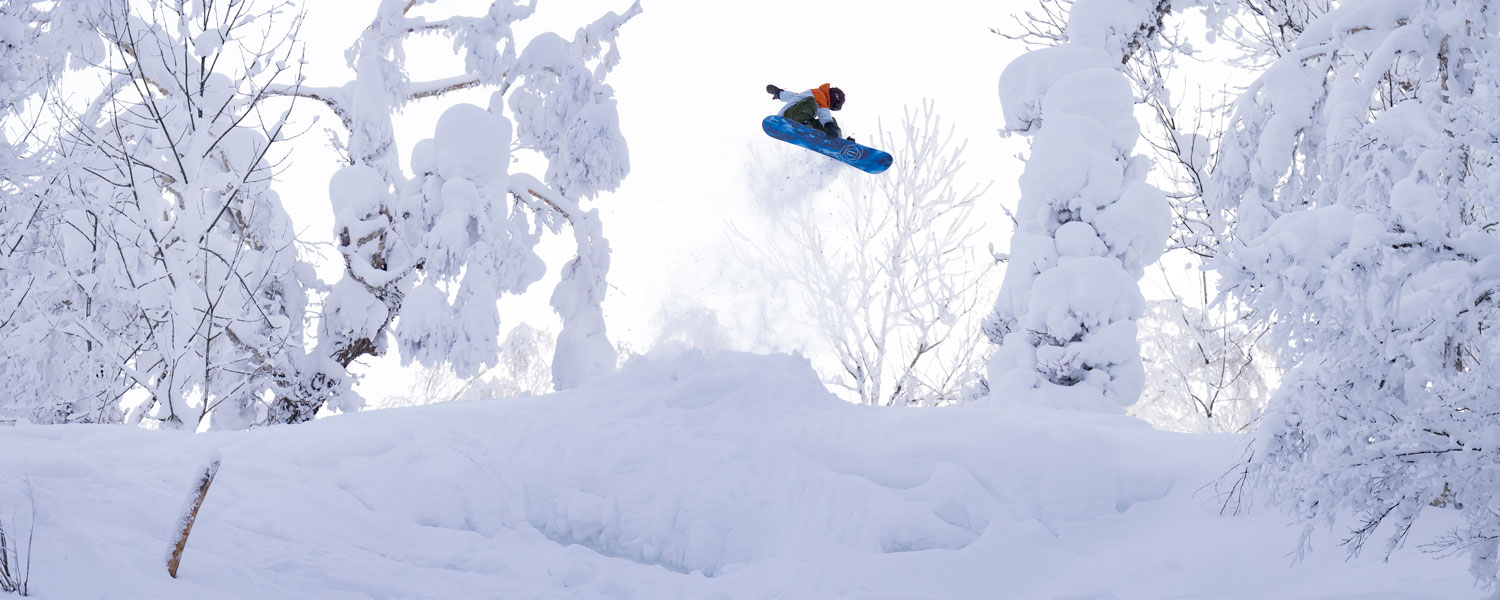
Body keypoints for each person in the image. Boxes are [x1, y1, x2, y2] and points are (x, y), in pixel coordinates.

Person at [766, 83, 853, 142]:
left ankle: (837, 141)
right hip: (787, 117)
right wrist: (829, 126)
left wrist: (778, 92)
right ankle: (805, 126)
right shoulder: (819, 95)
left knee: (831, 123)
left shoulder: (805, 96)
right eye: (834, 106)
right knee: (811, 103)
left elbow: (791, 96)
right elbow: (823, 111)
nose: (830, 108)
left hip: (803, 121)